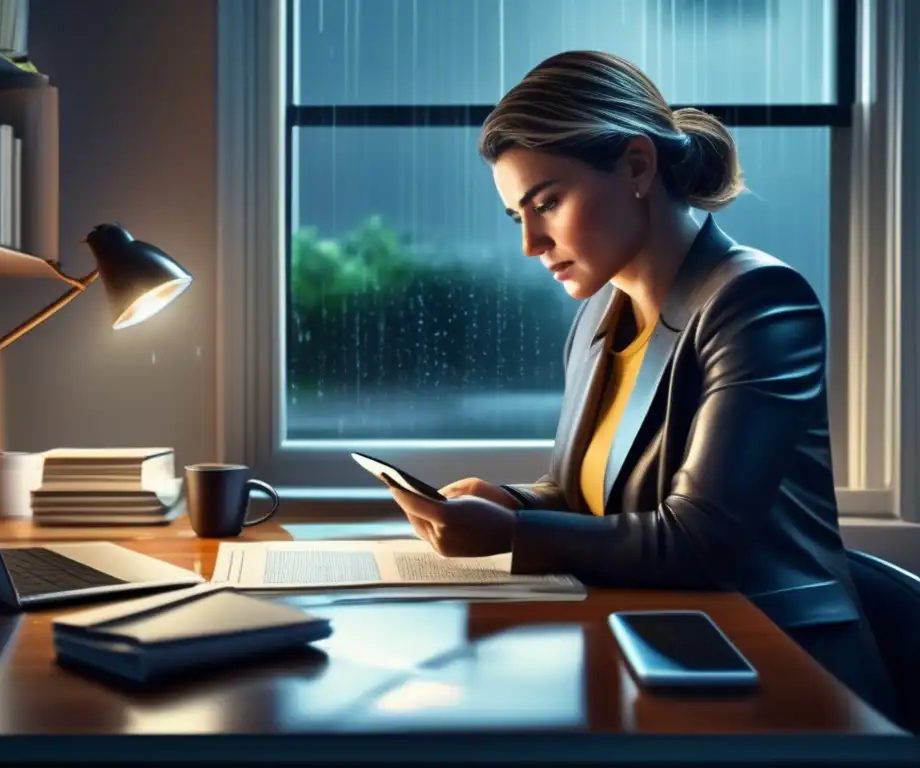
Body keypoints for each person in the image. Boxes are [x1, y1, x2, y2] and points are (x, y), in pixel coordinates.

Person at [381, 51, 896, 720]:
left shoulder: (759, 303)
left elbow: (695, 540)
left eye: (549, 203)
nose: (531, 243)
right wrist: (507, 500)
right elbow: (588, 494)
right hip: (657, 645)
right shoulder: (601, 311)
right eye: (518, 217)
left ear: (636, 167)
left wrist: (512, 534)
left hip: (777, 672)